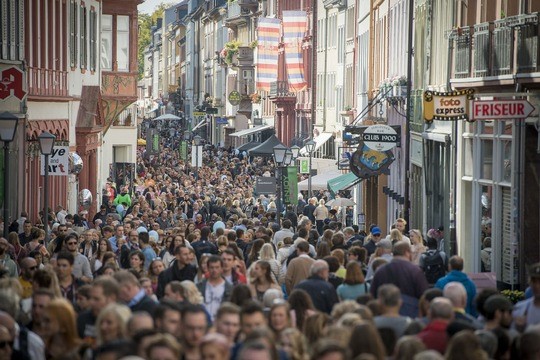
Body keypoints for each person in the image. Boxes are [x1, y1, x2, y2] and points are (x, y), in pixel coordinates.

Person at [370, 241, 429, 317]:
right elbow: (424, 295)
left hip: (385, 314)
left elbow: (373, 294)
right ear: (407, 253)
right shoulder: (415, 271)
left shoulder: (381, 271)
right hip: (411, 315)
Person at [197, 255, 233, 321]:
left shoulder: (229, 288)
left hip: (221, 322)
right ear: (207, 268)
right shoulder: (200, 286)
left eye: (217, 267)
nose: (214, 270)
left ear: (222, 268)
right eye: (212, 267)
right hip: (203, 322)